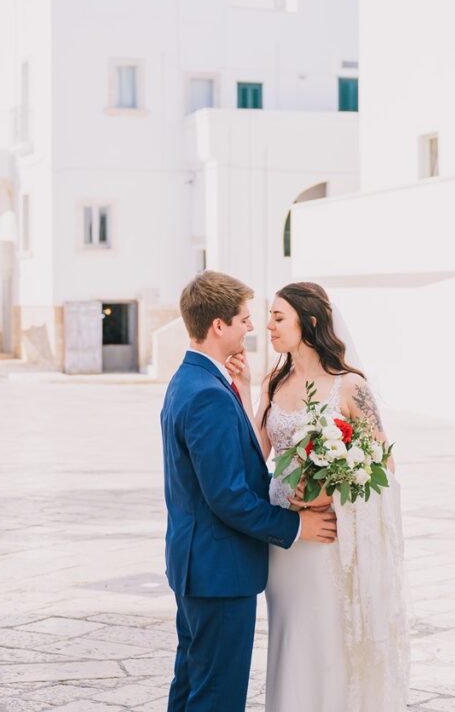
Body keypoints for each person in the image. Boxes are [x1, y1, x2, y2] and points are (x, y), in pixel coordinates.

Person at [228, 281, 410, 712]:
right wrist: (246, 387)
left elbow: (384, 460)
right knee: (291, 634)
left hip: (328, 535)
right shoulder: (274, 380)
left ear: (308, 322)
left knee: (328, 635)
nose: (268, 327)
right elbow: (258, 452)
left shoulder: (349, 387)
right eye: (269, 317)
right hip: (285, 537)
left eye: (278, 317)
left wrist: (329, 488)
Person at [161, 271, 337, 712]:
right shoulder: (207, 394)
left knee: (191, 686)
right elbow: (229, 497)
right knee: (216, 697)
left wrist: (242, 392)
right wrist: (296, 525)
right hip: (219, 572)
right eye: (243, 320)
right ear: (218, 326)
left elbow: (231, 460)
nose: (253, 327)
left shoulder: (194, 381)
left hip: (197, 566)